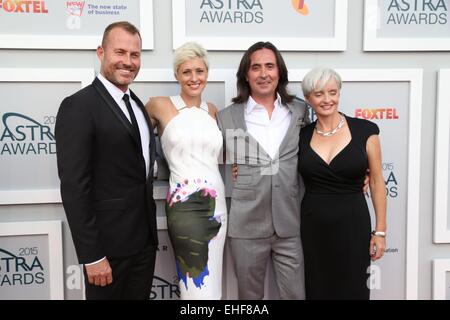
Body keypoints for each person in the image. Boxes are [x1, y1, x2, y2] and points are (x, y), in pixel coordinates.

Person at [55, 21, 158, 300]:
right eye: (120, 52)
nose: (128, 61)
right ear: (101, 53)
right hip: (107, 253)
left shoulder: (137, 104)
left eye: (134, 55)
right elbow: (75, 186)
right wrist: (92, 256)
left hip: (143, 246)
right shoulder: (78, 106)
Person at [216, 41, 308, 300]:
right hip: (246, 226)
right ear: (246, 74)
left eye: (270, 66)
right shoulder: (226, 117)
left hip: (290, 224)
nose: (264, 73)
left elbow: (321, 147)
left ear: (280, 72)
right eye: (256, 67)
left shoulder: (300, 111)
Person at [145, 42, 227, 300]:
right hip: (184, 208)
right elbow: (132, 142)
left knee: (213, 283)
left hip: (218, 208)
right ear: (176, 75)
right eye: (187, 71)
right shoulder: (158, 105)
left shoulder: (213, 111)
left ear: (207, 74)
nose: (194, 78)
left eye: (199, 71)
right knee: (195, 284)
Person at [298, 67, 387, 300]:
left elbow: (377, 181)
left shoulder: (365, 131)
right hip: (311, 227)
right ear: (308, 99)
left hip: (353, 225)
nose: (327, 100)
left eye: (332, 92)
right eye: (319, 94)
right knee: (316, 289)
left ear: (339, 93)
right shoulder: (301, 136)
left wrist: (380, 231)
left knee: (353, 289)